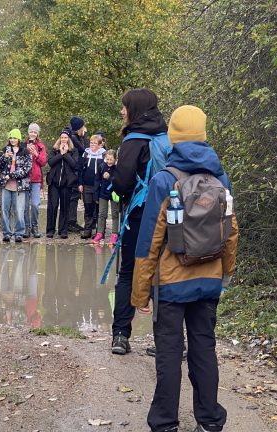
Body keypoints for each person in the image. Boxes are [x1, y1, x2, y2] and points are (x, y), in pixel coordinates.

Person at [132, 105, 238, 432]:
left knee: (168, 353)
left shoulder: (165, 180)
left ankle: (165, 422)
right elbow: (231, 230)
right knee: (204, 348)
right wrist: (225, 276)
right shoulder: (221, 178)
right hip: (208, 281)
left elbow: (149, 240)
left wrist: (140, 293)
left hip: (172, 285)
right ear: (203, 134)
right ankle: (210, 420)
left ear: (174, 138)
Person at [110, 88, 167, 355]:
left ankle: (121, 335)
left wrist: (115, 190)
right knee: (161, 274)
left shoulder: (133, 140)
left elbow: (121, 182)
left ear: (134, 109)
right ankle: (167, 341)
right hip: (167, 216)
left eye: (124, 107)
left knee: (128, 273)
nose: (122, 111)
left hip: (139, 214)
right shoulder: (167, 136)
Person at [0, 128, 33, 243]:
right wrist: (4, 157)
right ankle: (6, 233)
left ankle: (18, 233)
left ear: (19, 139)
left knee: (19, 210)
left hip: (20, 186)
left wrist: (11, 175)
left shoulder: (25, 151)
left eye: (15, 138)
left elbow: (27, 169)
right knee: (5, 210)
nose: (12, 140)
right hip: (5, 185)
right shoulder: (4, 150)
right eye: (11, 137)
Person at [45, 130, 79, 239]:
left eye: (65, 137)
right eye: (62, 137)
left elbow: (74, 164)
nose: (63, 139)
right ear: (59, 139)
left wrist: (65, 154)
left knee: (65, 207)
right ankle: (50, 230)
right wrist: (60, 154)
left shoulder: (74, 151)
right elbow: (50, 162)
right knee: (53, 206)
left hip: (66, 183)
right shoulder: (54, 150)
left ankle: (63, 230)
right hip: (54, 183)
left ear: (68, 139)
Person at [79, 134, 106, 239]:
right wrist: (80, 183)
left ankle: (100, 232)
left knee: (98, 209)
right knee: (88, 208)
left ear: (100, 145)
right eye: (91, 143)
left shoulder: (104, 155)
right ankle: (87, 230)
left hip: (99, 187)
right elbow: (80, 169)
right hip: (87, 185)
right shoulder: (85, 154)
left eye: (95, 143)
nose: (92, 145)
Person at [24, 123, 47, 238]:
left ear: (37, 134)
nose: (33, 134)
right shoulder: (23, 145)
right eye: (31, 131)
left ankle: (35, 226)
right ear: (28, 132)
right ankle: (26, 227)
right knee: (24, 205)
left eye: (35, 132)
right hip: (24, 178)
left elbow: (43, 162)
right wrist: (26, 151)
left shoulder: (41, 146)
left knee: (35, 204)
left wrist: (36, 154)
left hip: (36, 179)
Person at [66, 116, 87, 233]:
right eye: (82, 126)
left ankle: (72, 221)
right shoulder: (74, 138)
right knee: (73, 197)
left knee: (74, 197)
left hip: (77, 170)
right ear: (79, 127)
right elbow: (84, 150)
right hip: (74, 171)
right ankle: (70, 222)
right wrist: (84, 136)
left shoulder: (75, 137)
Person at [93, 149, 119, 245]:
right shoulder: (101, 166)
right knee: (101, 214)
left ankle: (114, 234)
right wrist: (95, 194)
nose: (108, 161)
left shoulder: (118, 168)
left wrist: (110, 177)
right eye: (107, 159)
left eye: (111, 159)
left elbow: (119, 181)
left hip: (114, 193)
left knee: (115, 214)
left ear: (115, 159)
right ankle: (100, 233)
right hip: (103, 193)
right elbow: (97, 180)